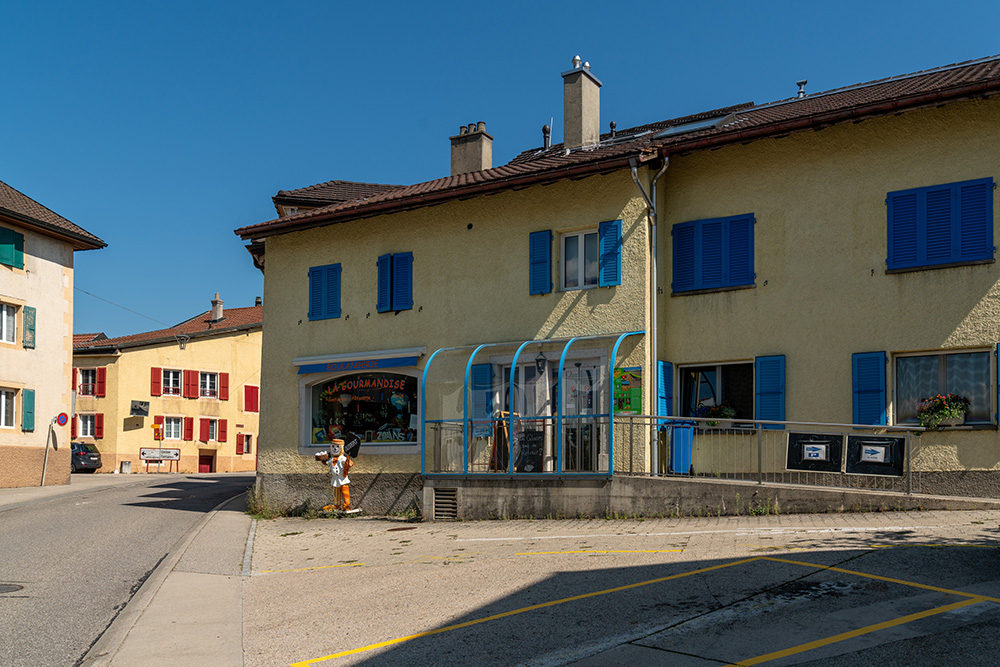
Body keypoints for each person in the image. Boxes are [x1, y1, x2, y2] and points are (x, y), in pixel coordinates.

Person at [316, 439, 353, 510]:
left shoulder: (342, 458)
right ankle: (336, 505)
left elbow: (349, 463)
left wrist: (349, 463)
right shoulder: (332, 459)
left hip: (342, 478)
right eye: (333, 446)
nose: (335, 448)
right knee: (336, 492)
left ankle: (347, 505)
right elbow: (326, 463)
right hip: (335, 478)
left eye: (337, 447)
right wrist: (322, 459)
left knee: (344, 490)